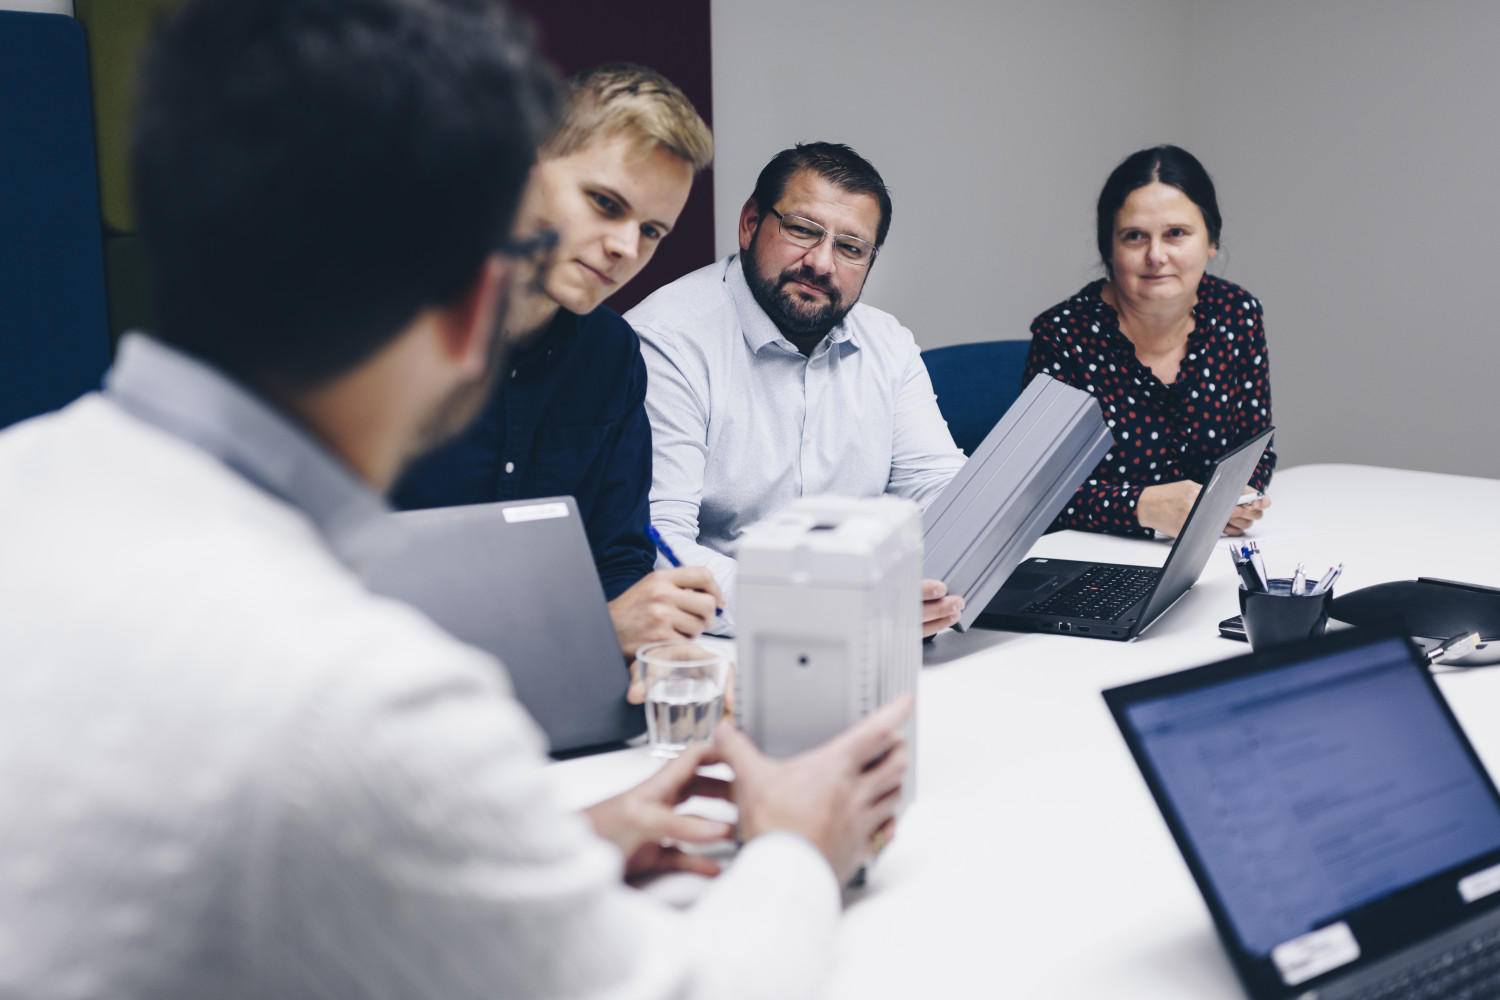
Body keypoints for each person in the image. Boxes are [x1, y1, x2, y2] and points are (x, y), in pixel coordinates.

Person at [0, 2, 911, 997]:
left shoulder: (26, 482)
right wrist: (796, 850)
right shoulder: (363, 701)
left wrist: (547, 845)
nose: (618, 251)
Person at [394, 63, 727, 662]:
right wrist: (596, 633)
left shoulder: (613, 354)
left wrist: (654, 650)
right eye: (604, 203)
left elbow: (618, 558)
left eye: (652, 231)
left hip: (566, 704)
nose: (626, 247)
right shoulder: (385, 334)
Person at [628, 142, 968, 636]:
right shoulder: (666, 341)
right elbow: (660, 547)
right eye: (803, 230)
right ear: (750, 224)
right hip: (724, 645)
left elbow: (937, 487)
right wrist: (835, 612)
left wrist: (947, 576)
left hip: (879, 633)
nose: (822, 263)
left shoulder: (887, 342)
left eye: (851, 248)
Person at [1023, 144, 1275, 539]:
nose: (1156, 255)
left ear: (1211, 241)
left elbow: (1255, 448)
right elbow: (1036, 494)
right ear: (1109, 248)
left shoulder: (1238, 313)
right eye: (1135, 236)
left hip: (1210, 552)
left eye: (1176, 233)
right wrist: (1138, 507)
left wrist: (1240, 496)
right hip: (1095, 562)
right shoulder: (1064, 336)